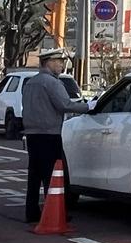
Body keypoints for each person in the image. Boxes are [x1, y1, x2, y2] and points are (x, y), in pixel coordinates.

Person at [22, 48, 90, 223]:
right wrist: (89, 107)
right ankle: (54, 212)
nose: (61, 65)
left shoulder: (31, 82)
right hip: (50, 134)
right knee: (52, 176)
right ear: (49, 63)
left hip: (32, 134)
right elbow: (65, 104)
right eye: (59, 62)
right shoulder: (52, 83)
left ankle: (31, 212)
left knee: (34, 175)